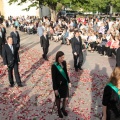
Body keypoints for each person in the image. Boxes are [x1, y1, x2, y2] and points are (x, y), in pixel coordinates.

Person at [51, 51, 71, 118]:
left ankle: (63, 108)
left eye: (63, 57)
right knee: (58, 98)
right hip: (58, 85)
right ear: (58, 57)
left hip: (64, 83)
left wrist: (69, 81)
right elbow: (53, 78)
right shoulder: (54, 66)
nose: (63, 59)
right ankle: (59, 110)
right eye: (62, 57)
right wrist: (55, 89)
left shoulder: (64, 63)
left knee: (66, 97)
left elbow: (65, 73)